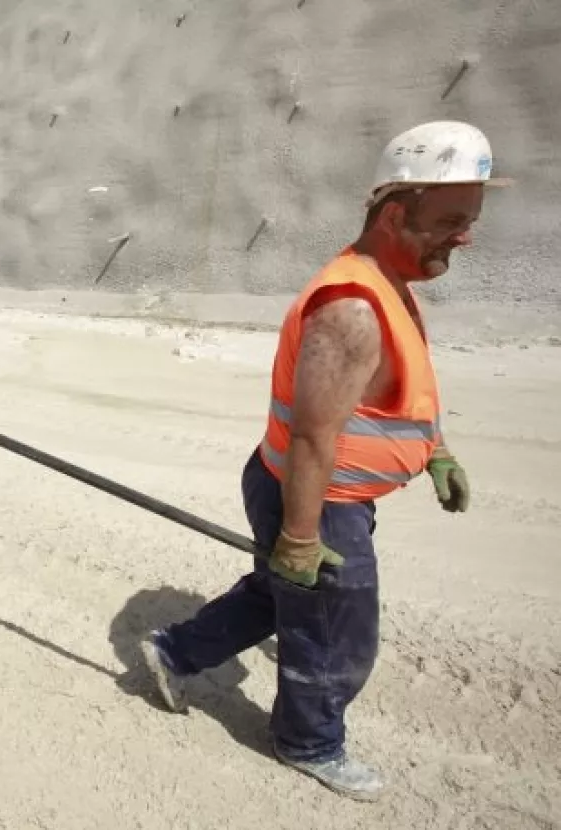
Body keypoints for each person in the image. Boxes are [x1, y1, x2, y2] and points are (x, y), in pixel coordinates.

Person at [140, 121, 511, 802]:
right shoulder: (352, 309)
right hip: (316, 494)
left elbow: (397, 390)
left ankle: (175, 650)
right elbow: (313, 437)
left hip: (323, 491)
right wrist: (304, 534)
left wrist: (437, 450)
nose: (466, 235)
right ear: (396, 213)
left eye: (471, 220)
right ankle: (308, 739)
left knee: (287, 594)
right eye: (453, 220)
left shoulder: (389, 281)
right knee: (335, 628)